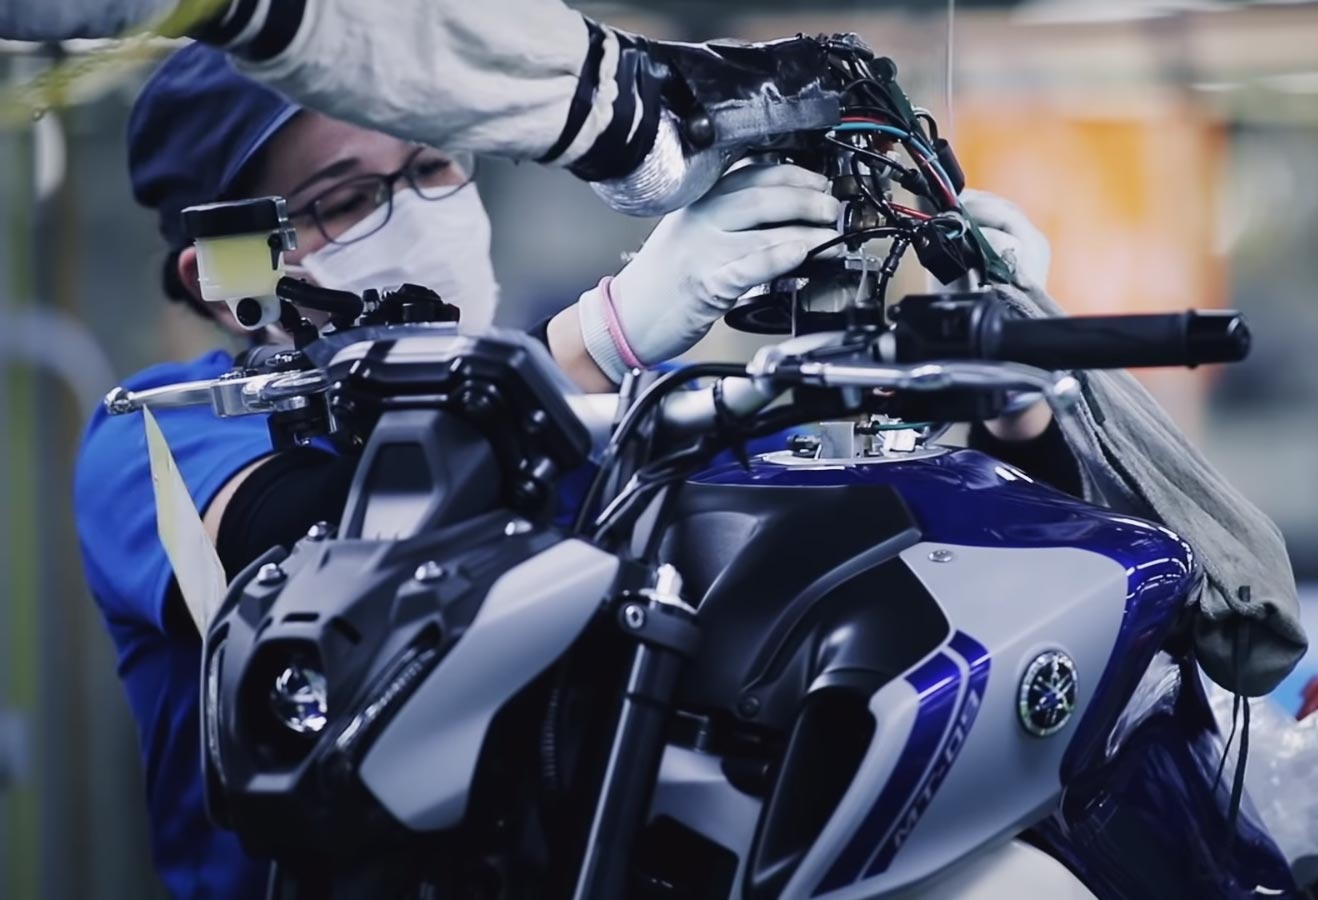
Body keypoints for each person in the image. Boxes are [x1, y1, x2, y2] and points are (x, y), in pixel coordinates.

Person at [74, 42, 1068, 898]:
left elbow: (916, 555)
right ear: (228, 274)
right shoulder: (163, 439)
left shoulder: (613, 407)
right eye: (344, 197)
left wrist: (1012, 402)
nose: (416, 212)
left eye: (433, 165)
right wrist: (600, 339)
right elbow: (360, 572)